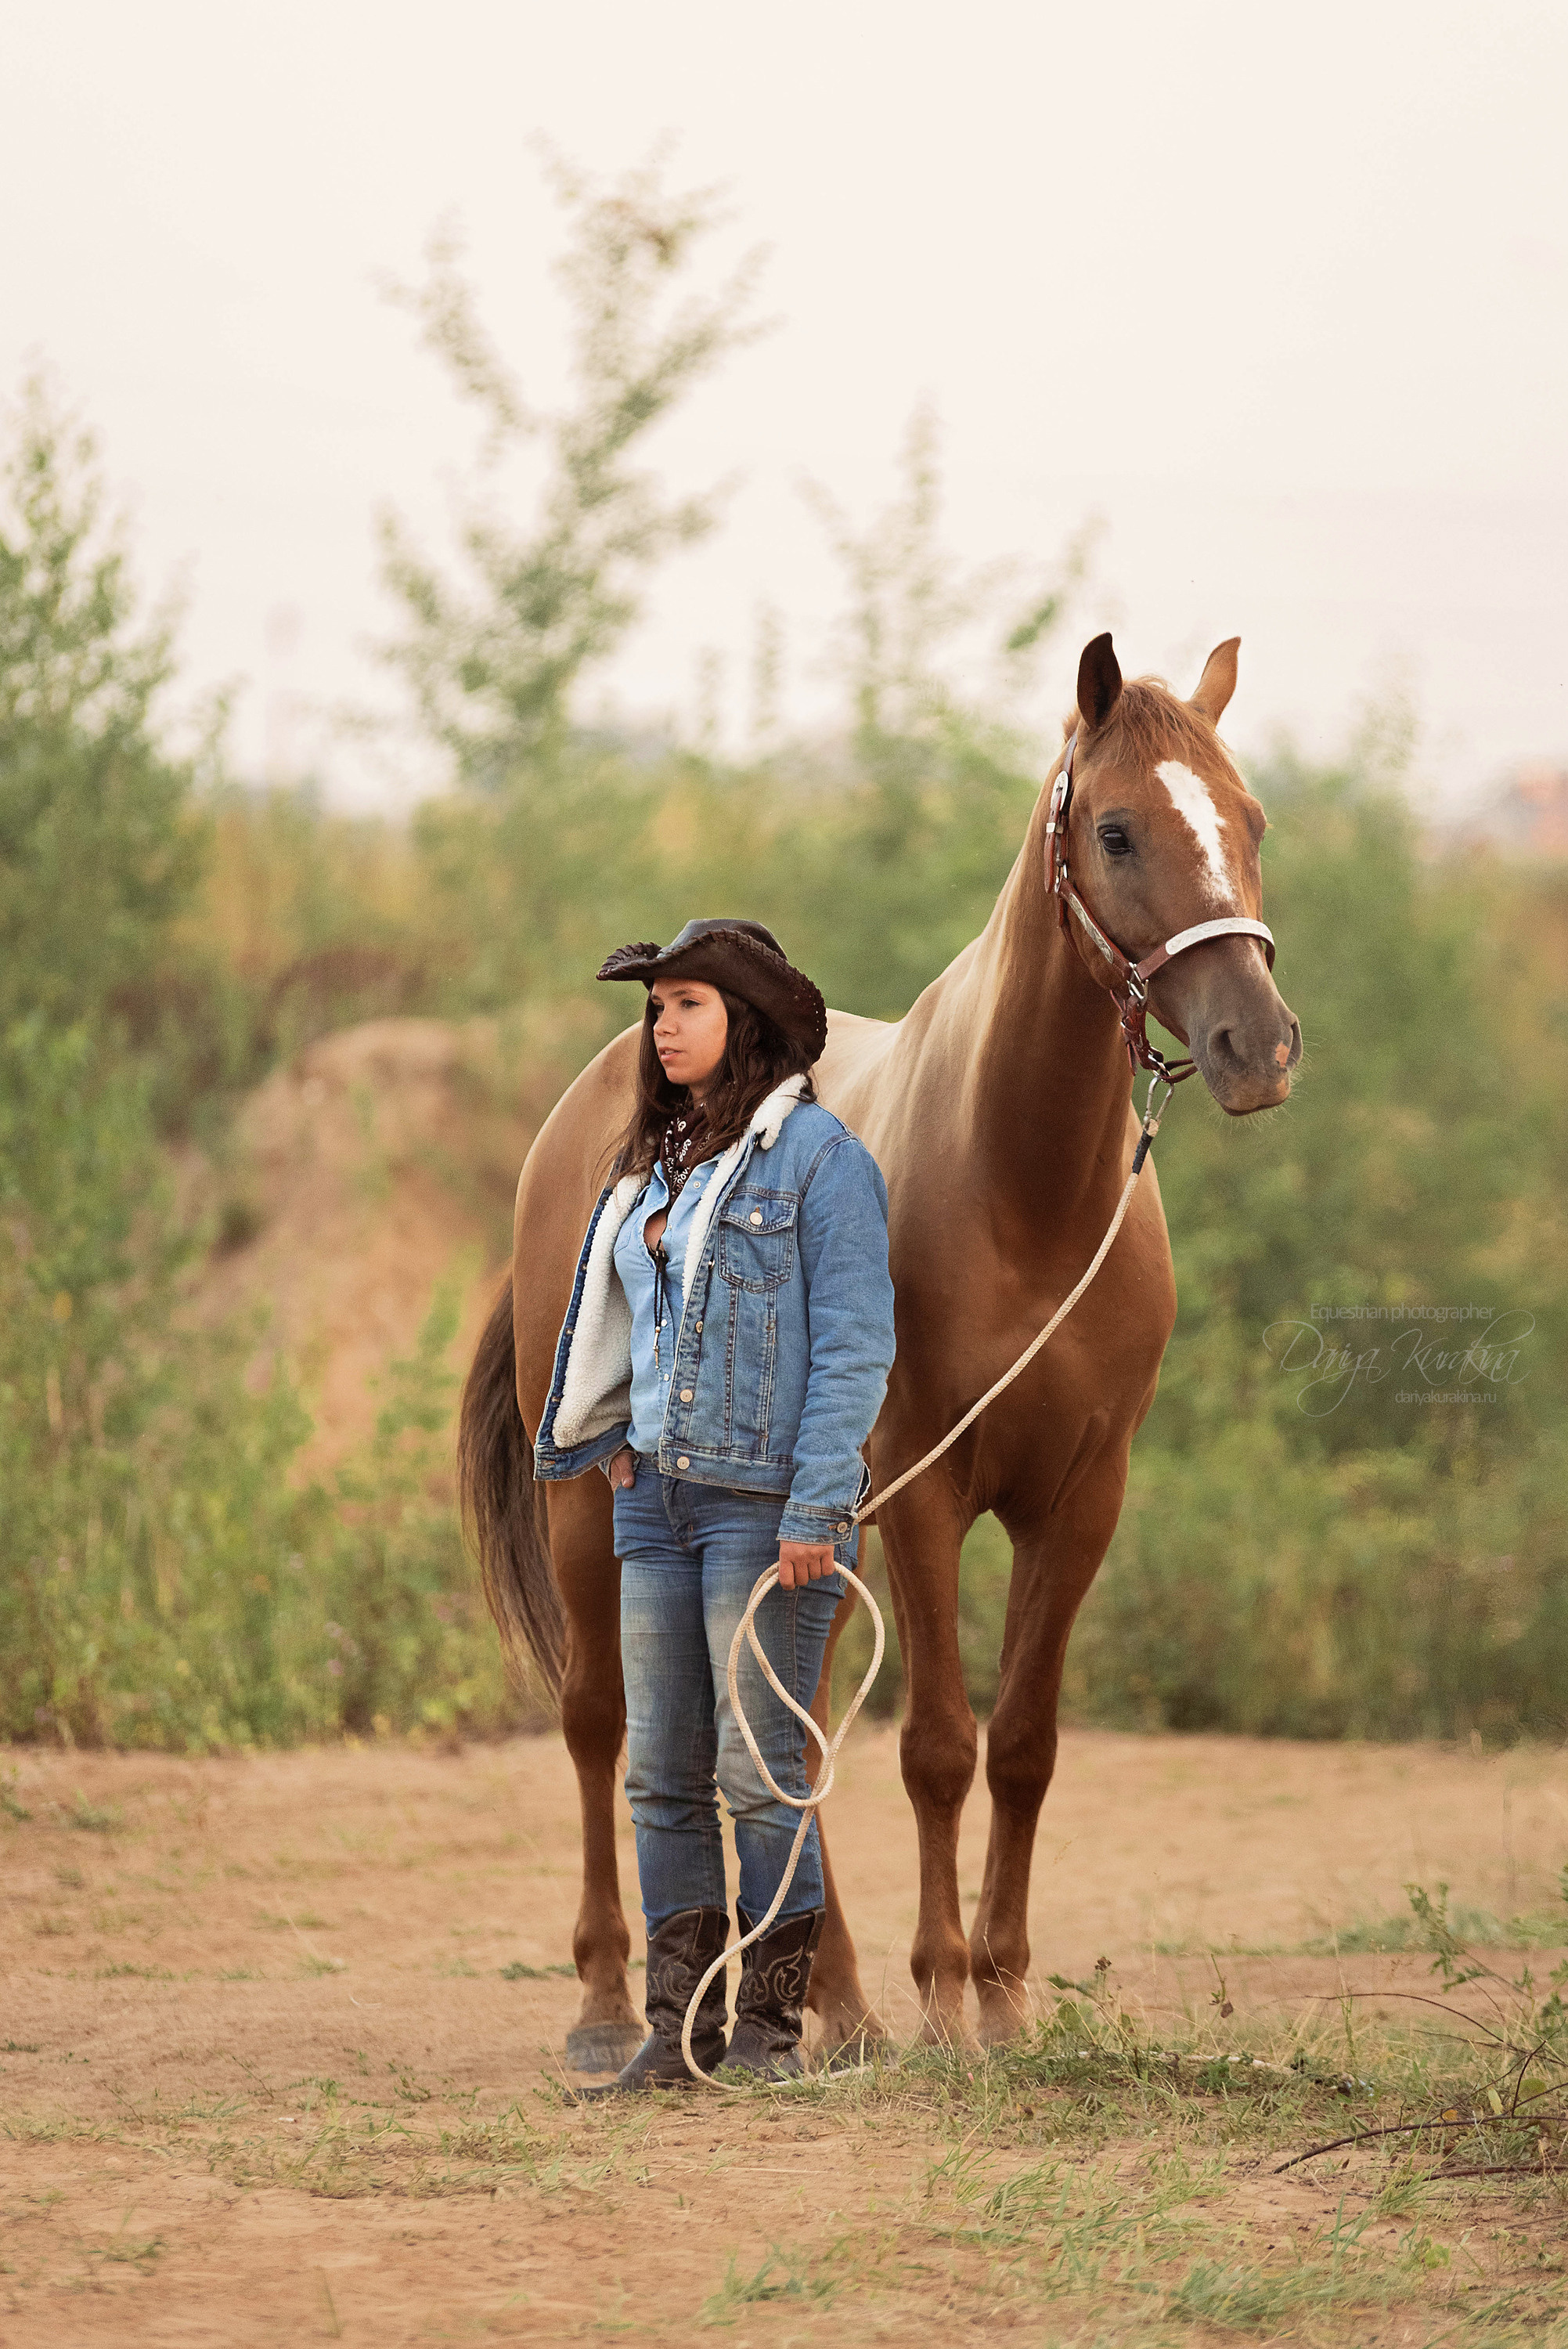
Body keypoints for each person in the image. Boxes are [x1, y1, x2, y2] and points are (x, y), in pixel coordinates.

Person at [533, 919, 896, 2089]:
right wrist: (617, 1441)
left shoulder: (825, 1164)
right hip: (656, 1506)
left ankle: (772, 2034)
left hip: (762, 1510)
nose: (662, 1026)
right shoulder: (661, 1162)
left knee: (761, 1770)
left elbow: (853, 1350)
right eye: (657, 1009)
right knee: (664, 1773)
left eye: (686, 1003)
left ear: (745, 1019)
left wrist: (819, 1508)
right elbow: (629, 1320)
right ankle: (678, 2029)